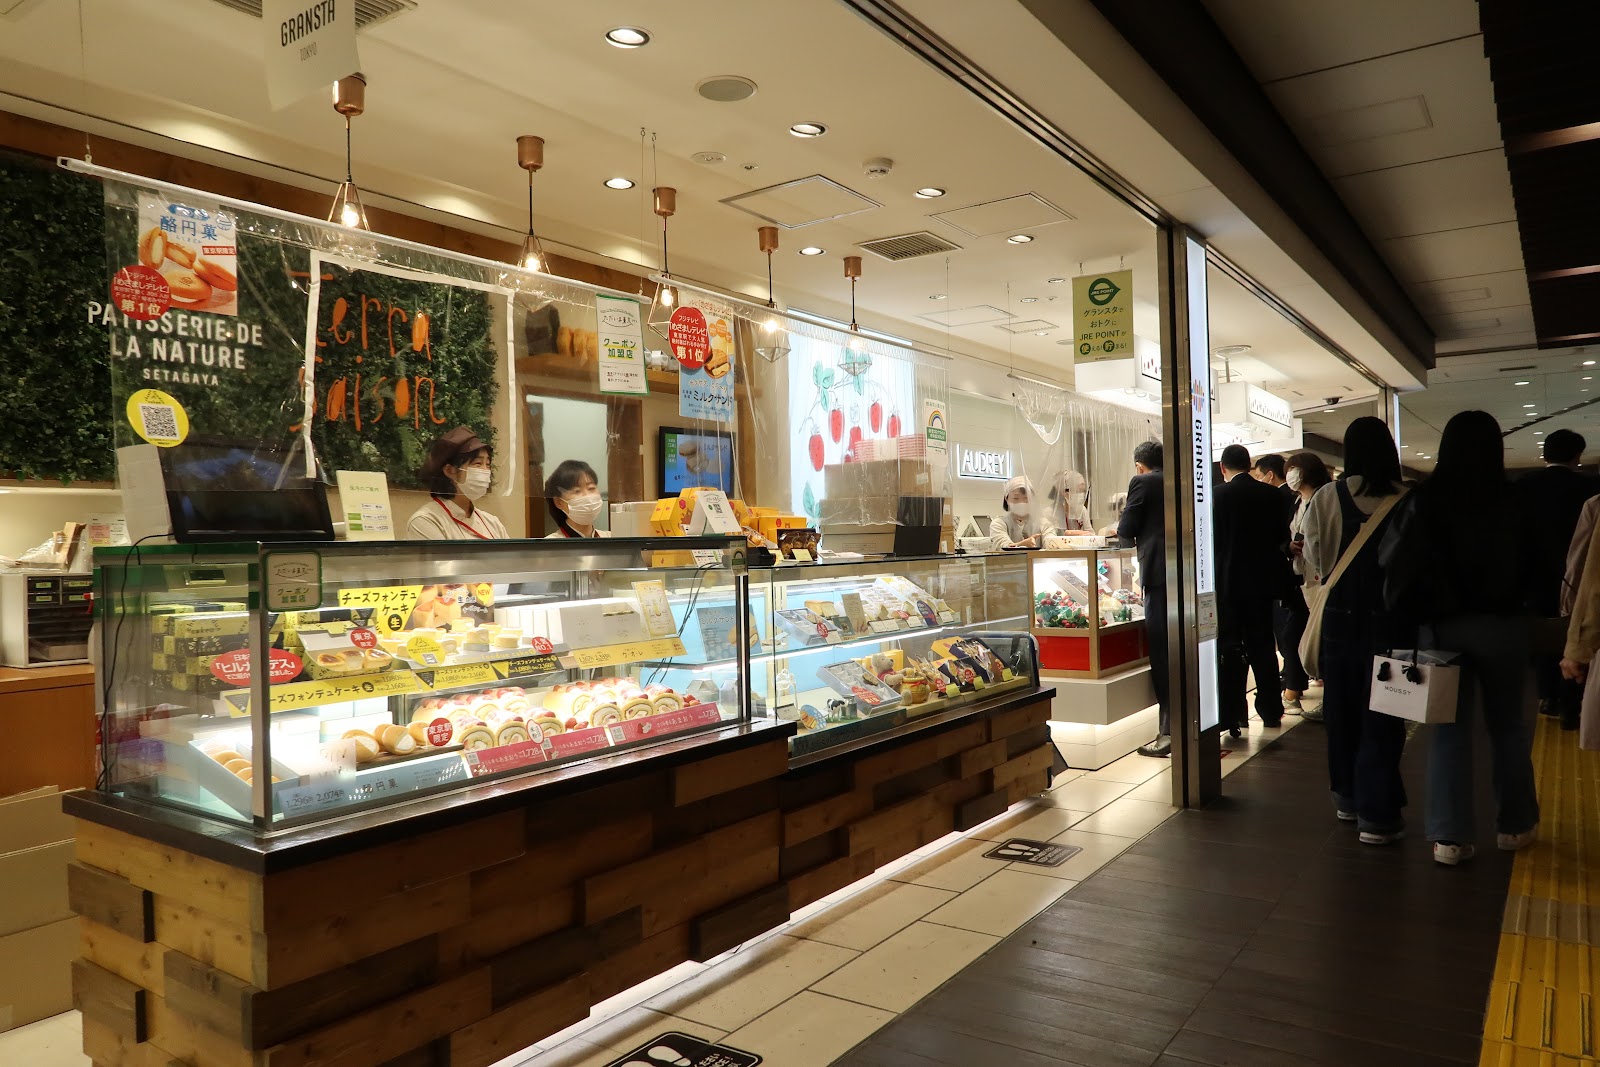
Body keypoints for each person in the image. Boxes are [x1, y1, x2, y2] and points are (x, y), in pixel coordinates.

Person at [1381, 411, 1539, 865]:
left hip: (1440, 627)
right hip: (1504, 626)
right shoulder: (1515, 500)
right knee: (1509, 727)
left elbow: (1399, 567)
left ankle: (1451, 838)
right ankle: (1515, 825)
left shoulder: (1424, 500)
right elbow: (1541, 563)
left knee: (1449, 732)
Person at [1301, 417, 1408, 844]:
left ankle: (1346, 796)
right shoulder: (1408, 500)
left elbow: (1314, 556)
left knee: (1341, 710)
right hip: (1393, 625)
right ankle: (1378, 815)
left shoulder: (1328, 496)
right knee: (1385, 713)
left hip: (1340, 623)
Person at [1518, 429, 1599, 731]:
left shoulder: (1524, 488)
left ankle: (1546, 696)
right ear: (1577, 455)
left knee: (1542, 634)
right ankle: (1571, 703)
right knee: (1573, 633)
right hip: (1579, 577)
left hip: (1537, 576)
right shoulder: (1590, 489)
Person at [1214, 444, 1294, 738]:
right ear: (1249, 465)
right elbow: (1280, 538)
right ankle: (1271, 710)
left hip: (1228, 585)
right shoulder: (1272, 495)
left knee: (1231, 648)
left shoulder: (1216, 495)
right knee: (1263, 646)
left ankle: (1234, 715)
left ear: (1223, 468)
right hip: (1263, 584)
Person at [1119, 440, 1171, 757]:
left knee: (1163, 655)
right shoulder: (1185, 480)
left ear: (1140, 465)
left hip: (1159, 575)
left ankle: (1168, 732)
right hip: (1195, 578)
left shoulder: (1143, 481)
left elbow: (1127, 528)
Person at [1282, 452, 1332, 721]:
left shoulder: (1324, 498)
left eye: (1294, 470)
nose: (1290, 474)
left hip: (1321, 578)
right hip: (1302, 578)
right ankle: (1299, 688)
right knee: (1298, 636)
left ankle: (1301, 692)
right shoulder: (1297, 502)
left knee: (1308, 635)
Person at [406, 426, 510, 540]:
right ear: (450, 471)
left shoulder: (493, 523)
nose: (485, 471)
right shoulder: (426, 521)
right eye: (478, 463)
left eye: (488, 464)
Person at [544, 459, 612, 538]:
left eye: (591, 488)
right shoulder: (551, 546)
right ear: (559, 503)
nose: (587, 496)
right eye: (577, 491)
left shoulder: (613, 539)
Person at [989, 476, 1055, 548]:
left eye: (1026, 498)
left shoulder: (1044, 524)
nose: (1021, 502)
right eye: (1016, 498)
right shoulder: (999, 524)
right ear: (1006, 499)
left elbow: (1052, 544)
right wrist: (1020, 545)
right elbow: (1002, 546)